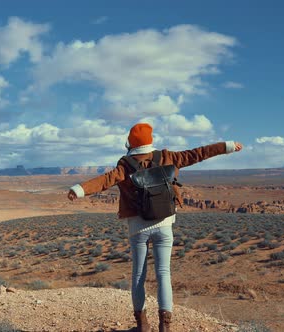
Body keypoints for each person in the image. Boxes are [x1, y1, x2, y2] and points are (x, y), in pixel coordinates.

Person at [67, 123, 243, 332]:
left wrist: (79, 190)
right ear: (150, 140)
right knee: (163, 273)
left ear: (130, 143)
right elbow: (199, 153)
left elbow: (105, 180)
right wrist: (227, 146)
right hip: (164, 224)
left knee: (138, 275)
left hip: (138, 227)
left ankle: (142, 325)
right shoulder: (168, 157)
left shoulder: (125, 165)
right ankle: (165, 326)